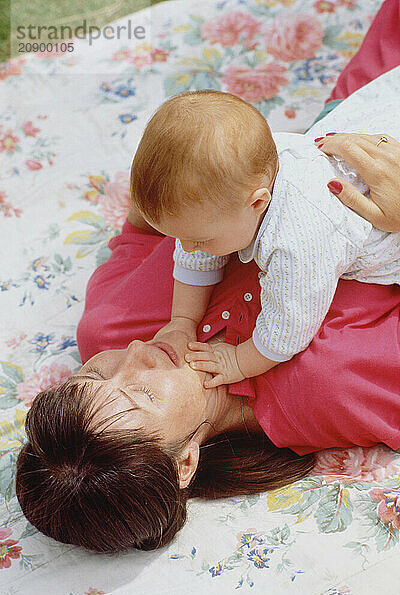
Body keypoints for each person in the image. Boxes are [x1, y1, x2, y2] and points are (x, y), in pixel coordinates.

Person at [15, 2, 400, 553]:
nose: (136, 355)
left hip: (348, 125)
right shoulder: (326, 391)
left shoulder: (109, 327)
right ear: (185, 462)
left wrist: (196, 169)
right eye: (141, 393)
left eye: (93, 376)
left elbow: (143, 223)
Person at [130, 89, 400, 390]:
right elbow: (195, 254)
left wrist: (238, 361)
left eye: (197, 239)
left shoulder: (296, 240)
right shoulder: (246, 171)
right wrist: (182, 321)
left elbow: (291, 323)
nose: (186, 246)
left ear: (258, 202)